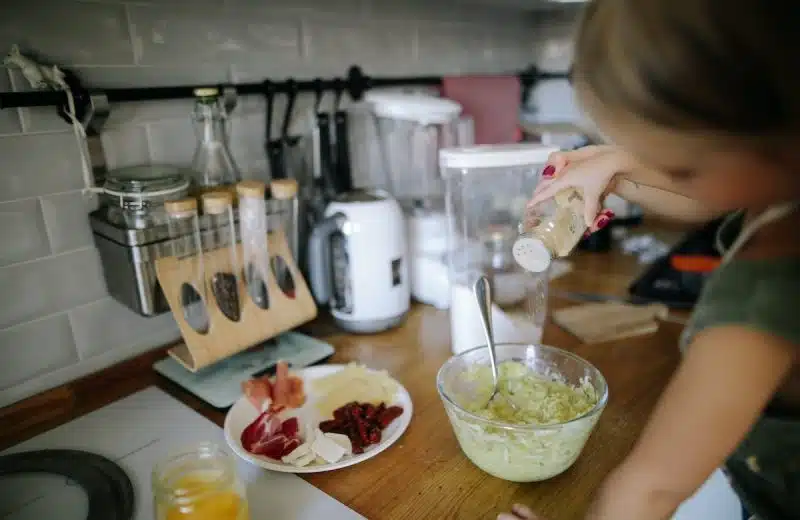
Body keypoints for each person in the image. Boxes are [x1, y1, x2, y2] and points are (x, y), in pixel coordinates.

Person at [499, 1, 800, 519]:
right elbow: (716, 192)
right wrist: (619, 169)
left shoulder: (767, 291)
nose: (659, 174)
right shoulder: (779, 188)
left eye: (677, 168)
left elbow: (651, 491)